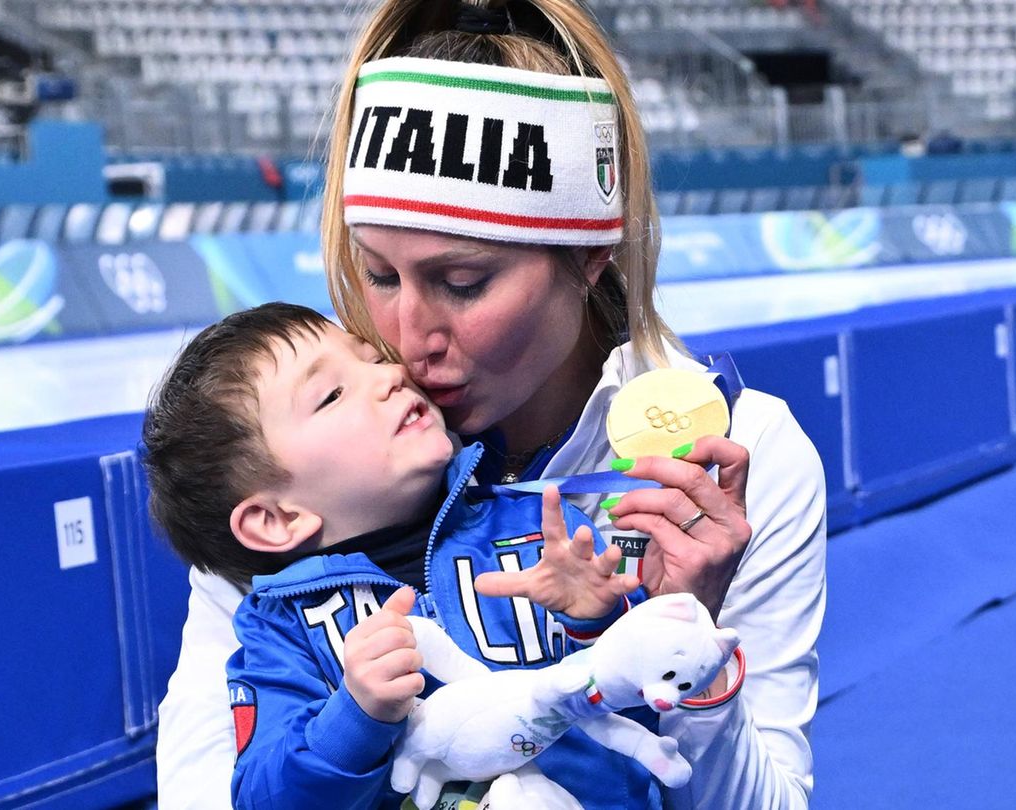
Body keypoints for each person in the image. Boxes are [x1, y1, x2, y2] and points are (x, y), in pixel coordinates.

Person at [155, 1, 827, 808]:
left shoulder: (736, 456)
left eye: (463, 283)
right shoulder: (297, 474)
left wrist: (690, 641)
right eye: (377, 275)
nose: (404, 340)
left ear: (588, 255)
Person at [143, 301, 669, 808]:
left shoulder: (546, 532)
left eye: (372, 357)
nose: (388, 376)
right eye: (331, 395)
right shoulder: (281, 632)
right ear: (276, 520)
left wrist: (600, 624)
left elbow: (648, 725)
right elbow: (264, 798)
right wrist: (356, 715)